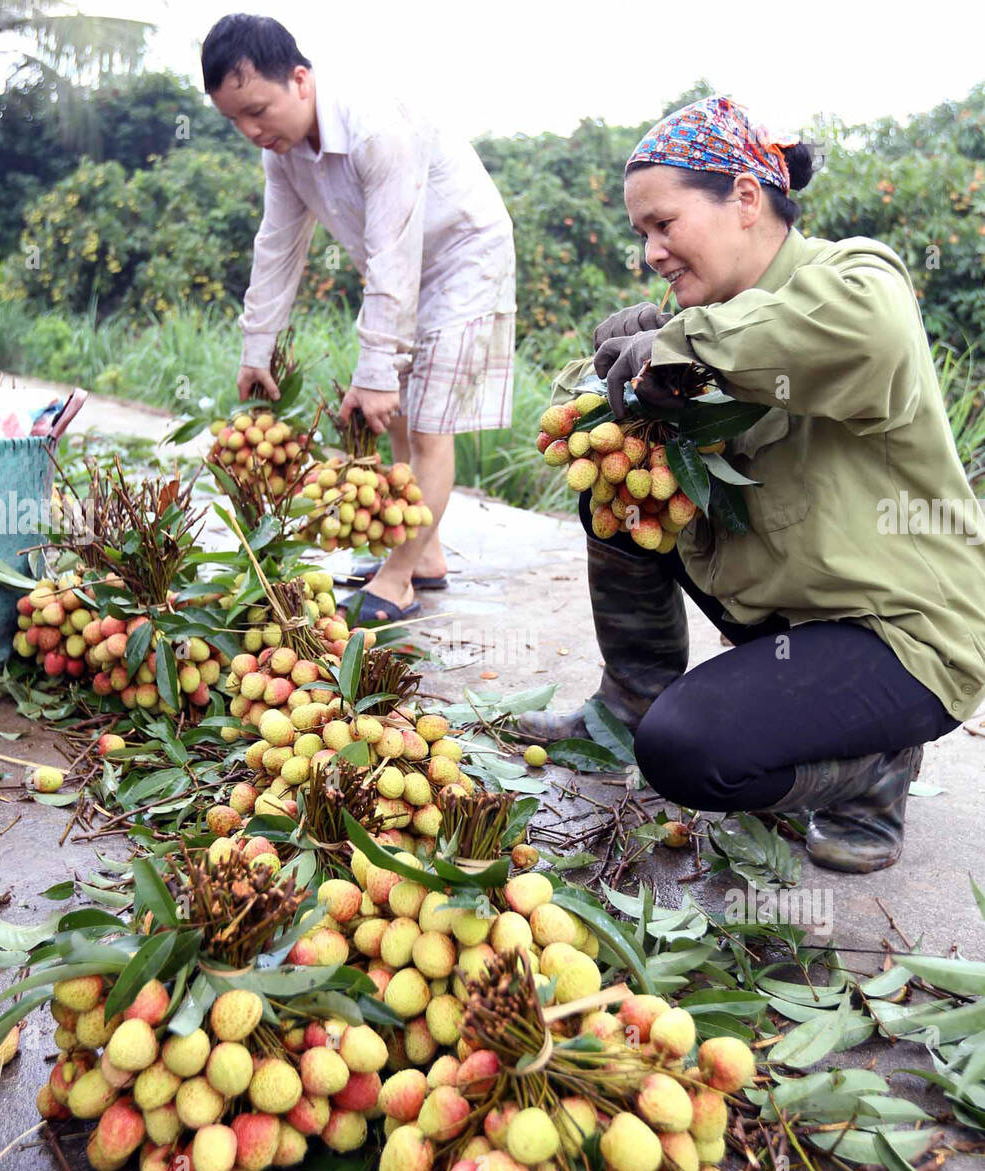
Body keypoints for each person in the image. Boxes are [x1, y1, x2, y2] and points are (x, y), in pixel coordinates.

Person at [518, 97, 985, 873]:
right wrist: (641, 393)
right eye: (642, 235)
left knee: (688, 755)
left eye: (663, 226)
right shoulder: (705, 312)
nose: (651, 254)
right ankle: (626, 702)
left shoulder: (857, 276)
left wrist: (676, 345)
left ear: (742, 196)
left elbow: (858, 335)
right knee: (614, 498)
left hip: (899, 634)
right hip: (785, 618)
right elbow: (691, 466)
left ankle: (874, 770)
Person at [201, 14, 516, 622]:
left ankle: (396, 580)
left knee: (426, 427)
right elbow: (277, 246)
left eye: (258, 110)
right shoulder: (285, 155)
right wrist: (255, 350)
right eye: (234, 119)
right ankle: (424, 558)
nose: (249, 130)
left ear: (299, 79)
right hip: (397, 271)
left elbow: (394, 247)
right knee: (395, 420)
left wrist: (376, 370)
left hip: (463, 259)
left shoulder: (377, 124)